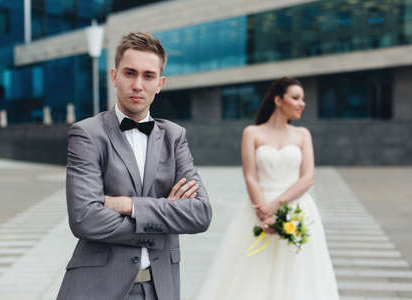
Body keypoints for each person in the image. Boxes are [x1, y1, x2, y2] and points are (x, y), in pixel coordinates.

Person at [57, 32, 212, 300]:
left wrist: (129, 205)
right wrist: (164, 222)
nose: (138, 85)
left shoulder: (175, 137)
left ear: (160, 83)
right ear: (114, 76)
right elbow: (85, 219)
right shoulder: (87, 134)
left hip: (160, 289)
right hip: (98, 289)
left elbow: (200, 213)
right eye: (130, 73)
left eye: (148, 76)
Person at [197, 77, 339, 299]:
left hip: (297, 208)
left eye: (303, 99)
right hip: (258, 209)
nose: (302, 103)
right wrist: (261, 211)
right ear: (278, 100)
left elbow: (308, 177)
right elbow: (250, 176)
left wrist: (276, 204)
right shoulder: (252, 133)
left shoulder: (303, 134)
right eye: (296, 98)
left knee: (299, 274)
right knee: (253, 274)